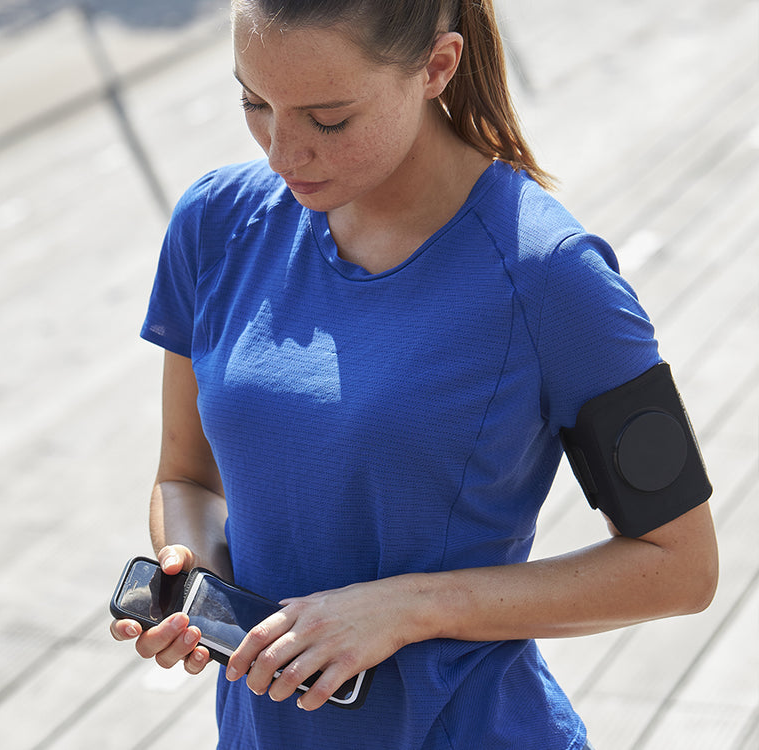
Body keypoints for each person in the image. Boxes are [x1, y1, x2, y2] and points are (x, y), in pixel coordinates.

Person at [110, 0, 719, 747]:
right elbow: (187, 478)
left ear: (438, 67)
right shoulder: (215, 224)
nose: (281, 151)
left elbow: (680, 567)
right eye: (254, 102)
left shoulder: (553, 277)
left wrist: (410, 607)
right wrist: (192, 578)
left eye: (327, 119)